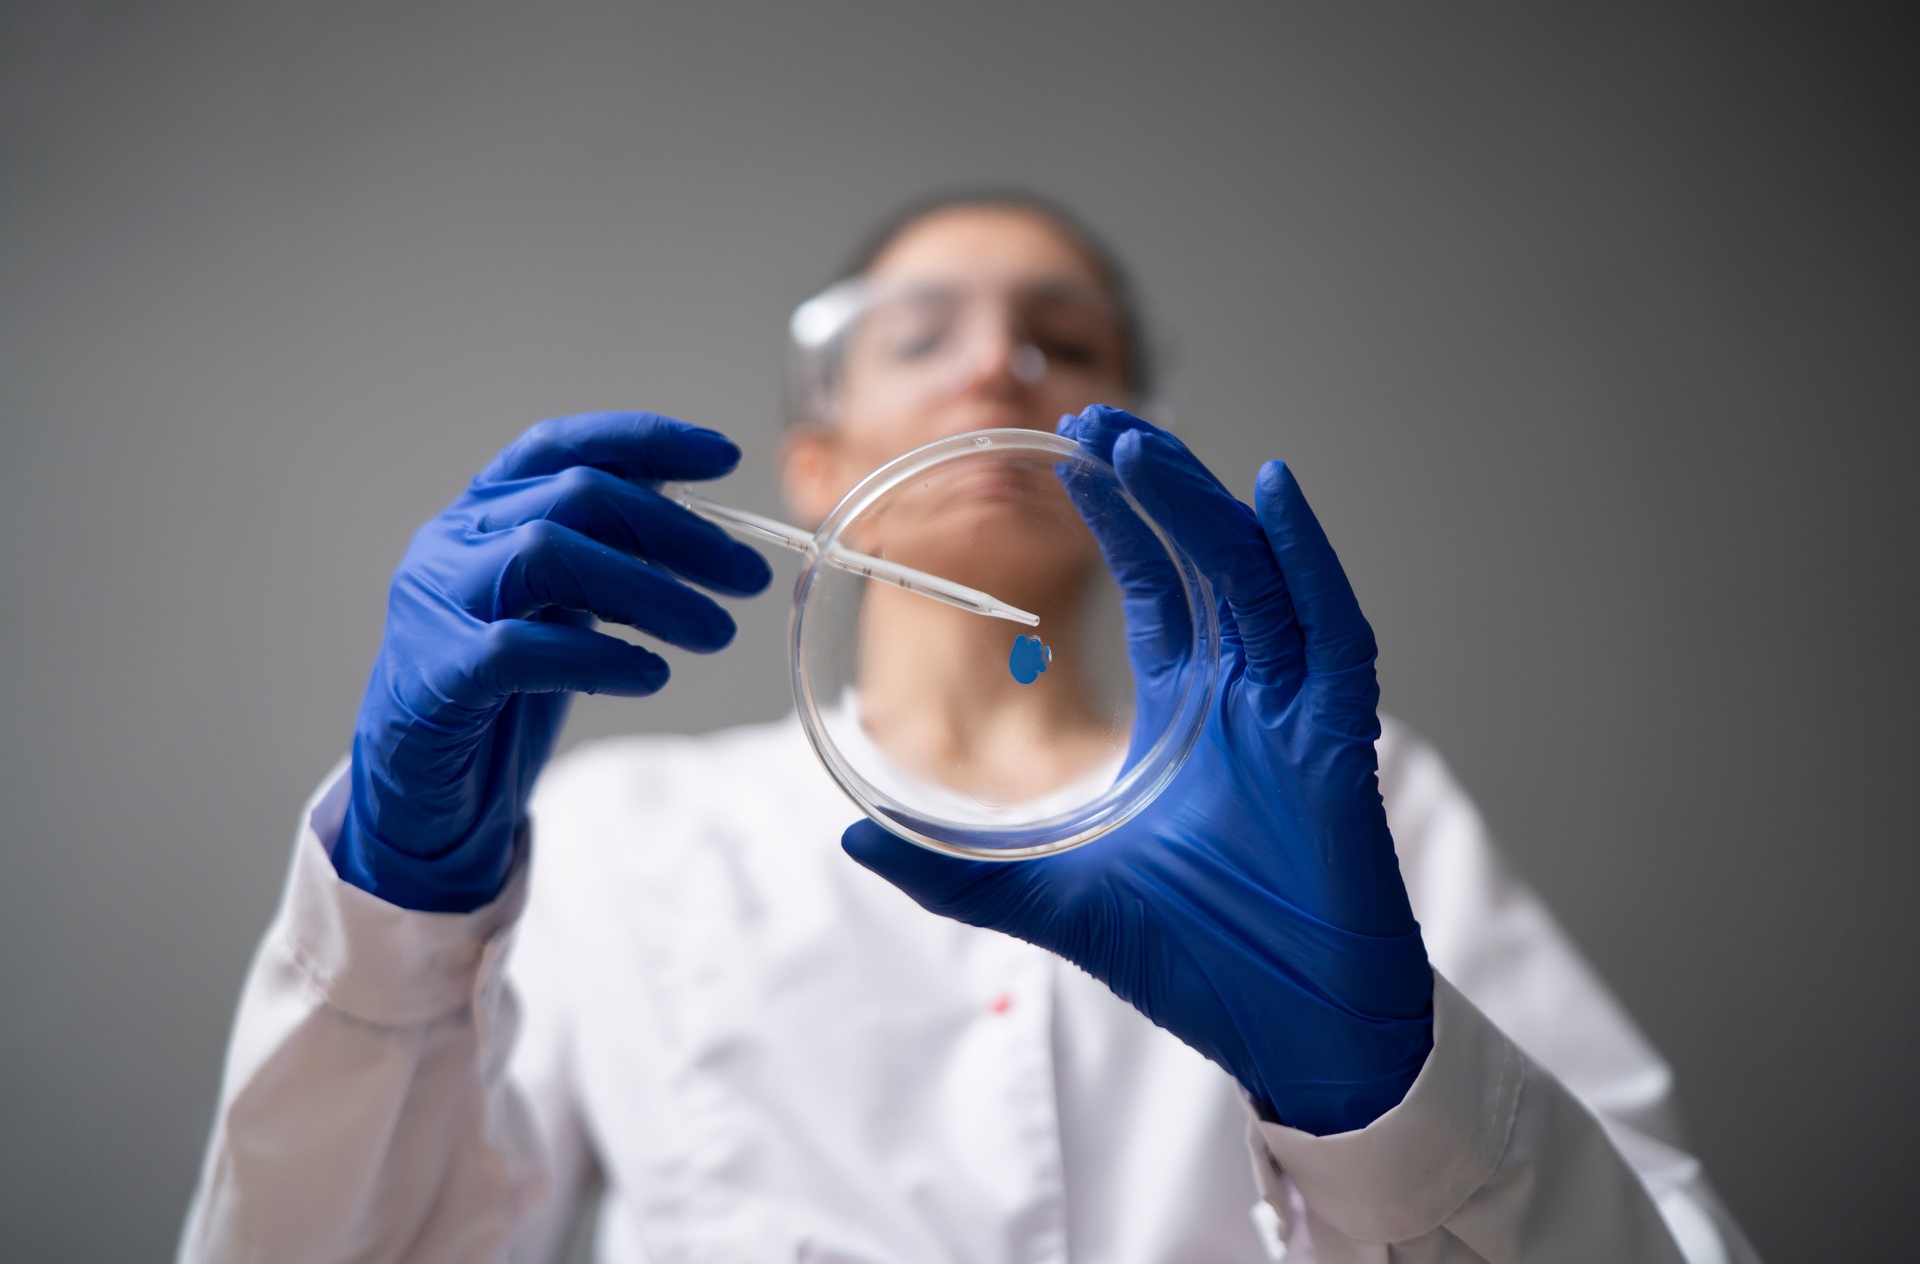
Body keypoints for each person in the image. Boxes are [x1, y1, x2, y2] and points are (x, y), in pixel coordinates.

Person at [179, 192, 1759, 1263]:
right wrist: (399, 905)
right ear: (819, 462)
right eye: (922, 332)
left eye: (1063, 341)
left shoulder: (1351, 796)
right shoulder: (635, 833)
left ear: (1133, 443)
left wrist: (1394, 1109)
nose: (1002, 359)